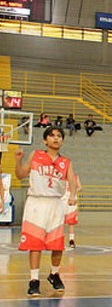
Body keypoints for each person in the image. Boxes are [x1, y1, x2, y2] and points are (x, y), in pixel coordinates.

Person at [15, 126, 78, 296]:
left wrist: (72, 195)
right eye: (52, 136)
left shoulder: (66, 162)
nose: (56, 138)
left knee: (57, 245)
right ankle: (34, 280)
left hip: (55, 204)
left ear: (62, 141)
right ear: (45, 140)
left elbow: (72, 181)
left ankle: (54, 273)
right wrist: (18, 160)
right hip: (36, 203)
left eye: (59, 136)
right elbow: (20, 175)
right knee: (35, 245)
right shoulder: (35, 155)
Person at [63, 174, 82, 248]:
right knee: (60, 221)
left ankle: (71, 240)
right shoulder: (61, 175)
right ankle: (59, 238)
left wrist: (74, 190)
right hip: (62, 199)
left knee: (71, 222)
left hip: (72, 198)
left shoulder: (75, 176)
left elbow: (80, 187)